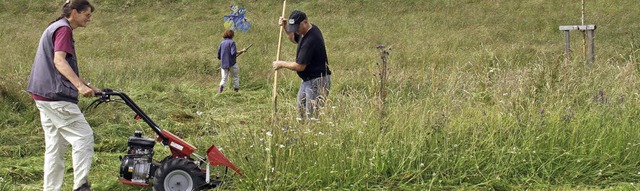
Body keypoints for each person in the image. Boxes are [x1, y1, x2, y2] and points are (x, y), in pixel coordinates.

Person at [26, 0, 98, 190]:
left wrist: (87, 85)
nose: (89, 19)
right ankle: (81, 186)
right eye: (87, 14)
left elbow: (62, 64)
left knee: (55, 148)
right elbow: (59, 62)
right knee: (84, 137)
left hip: (43, 96)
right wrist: (79, 87)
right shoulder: (64, 29)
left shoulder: (55, 27)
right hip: (55, 97)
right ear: (75, 12)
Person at [273, 10, 332, 120]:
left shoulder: (311, 39)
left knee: (312, 116)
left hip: (317, 82)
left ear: (304, 22)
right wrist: (286, 27)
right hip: (307, 81)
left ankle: (312, 135)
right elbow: (293, 39)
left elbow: (300, 66)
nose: (296, 31)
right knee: (301, 112)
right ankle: (302, 134)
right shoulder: (305, 31)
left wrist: (281, 64)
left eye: (296, 28)